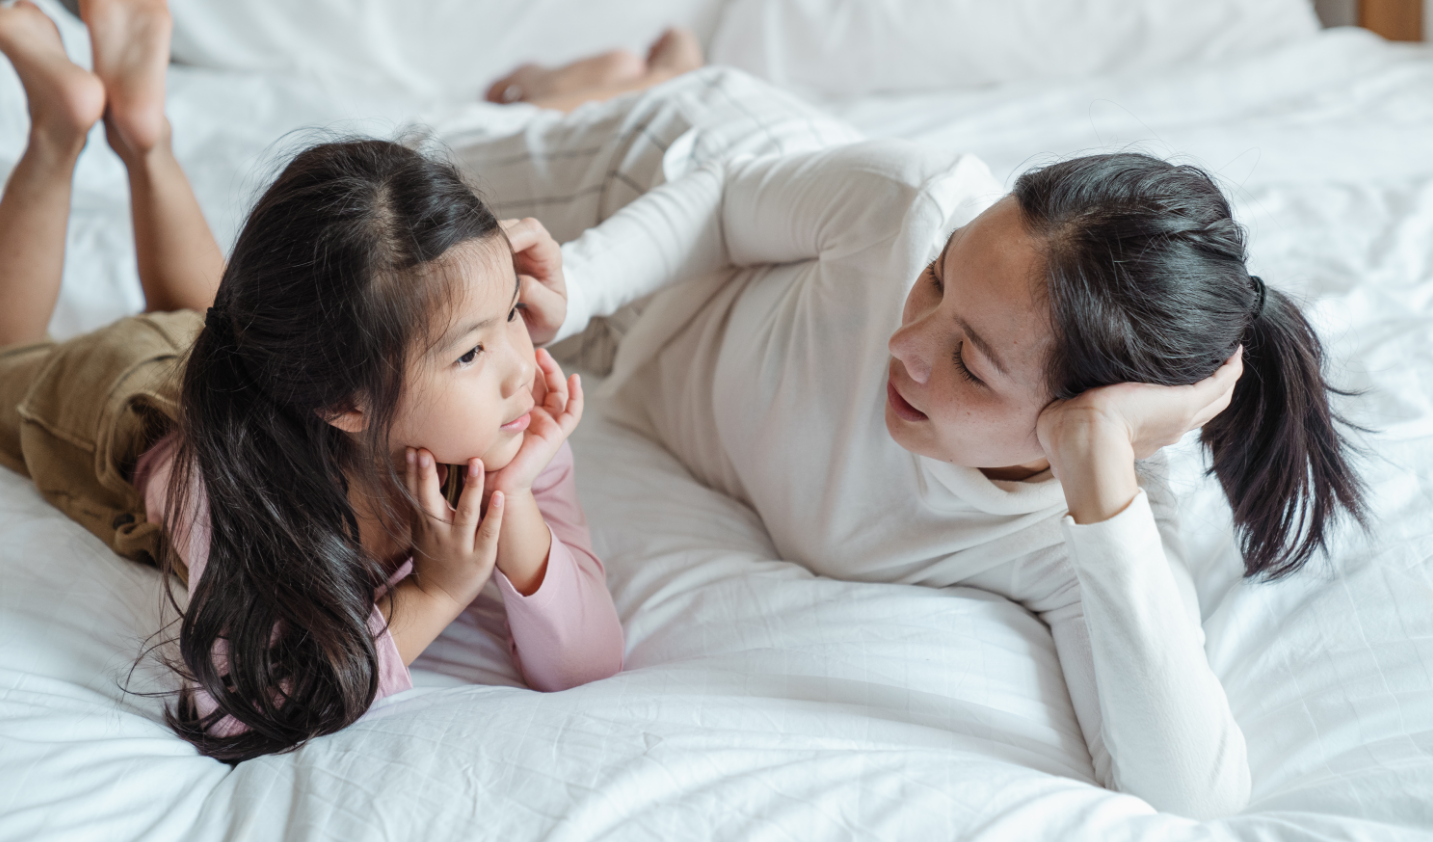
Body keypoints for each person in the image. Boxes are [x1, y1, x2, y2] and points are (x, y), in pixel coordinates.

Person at [450, 62, 1366, 819]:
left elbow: (1192, 795)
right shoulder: (906, 203)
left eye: (967, 364)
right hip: (650, 193)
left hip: (629, 360)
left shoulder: (1074, 531)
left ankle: (647, 61)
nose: (904, 344)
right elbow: (728, 200)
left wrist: (1097, 465)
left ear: (1074, 424)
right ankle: (645, 74)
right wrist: (575, 290)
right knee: (414, 175)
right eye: (936, 280)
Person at [0, 0, 623, 764]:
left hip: (249, 357)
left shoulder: (503, 418)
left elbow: (588, 661)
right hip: (128, 400)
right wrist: (433, 593)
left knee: (208, 313)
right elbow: (236, 712)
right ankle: (60, 128)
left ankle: (142, 130)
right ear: (344, 402)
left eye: (511, 313)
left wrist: (513, 496)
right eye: (470, 350)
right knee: (12, 360)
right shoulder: (239, 488)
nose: (517, 366)